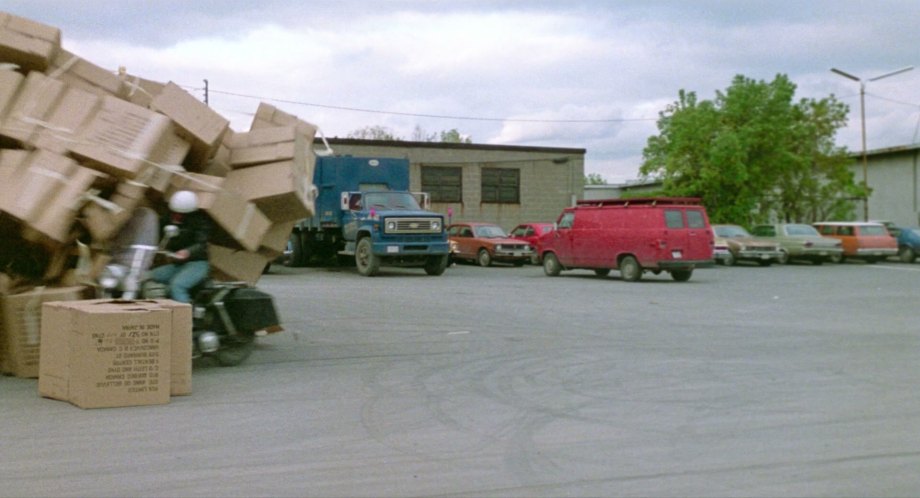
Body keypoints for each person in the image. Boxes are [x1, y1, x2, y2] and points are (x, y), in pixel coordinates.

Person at [149, 190, 212, 303]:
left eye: (181, 214)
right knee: (148, 276)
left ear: (190, 213)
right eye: (174, 212)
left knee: (177, 286)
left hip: (197, 264)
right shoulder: (166, 220)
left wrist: (188, 251)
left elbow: (201, 244)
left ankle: (186, 318)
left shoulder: (200, 223)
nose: (176, 216)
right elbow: (156, 234)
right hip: (177, 264)